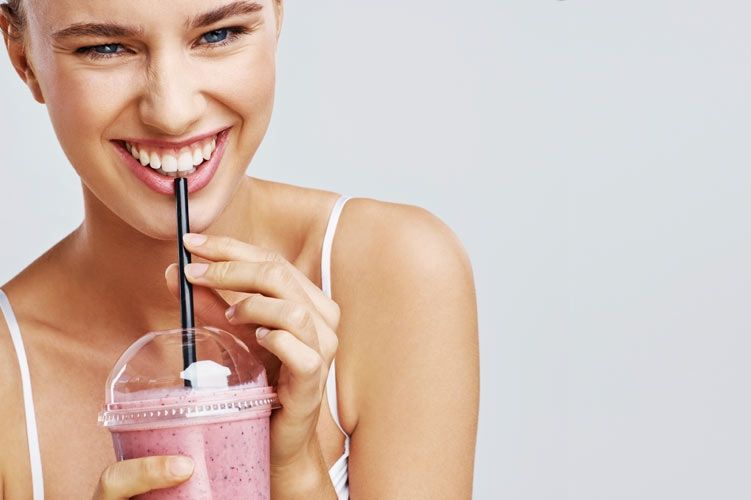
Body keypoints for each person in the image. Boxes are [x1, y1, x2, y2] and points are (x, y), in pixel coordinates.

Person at [0, 1, 479, 499]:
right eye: (105, 48)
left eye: (218, 34)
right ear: (23, 55)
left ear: (277, 14)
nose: (173, 113)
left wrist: (295, 468)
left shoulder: (397, 270)